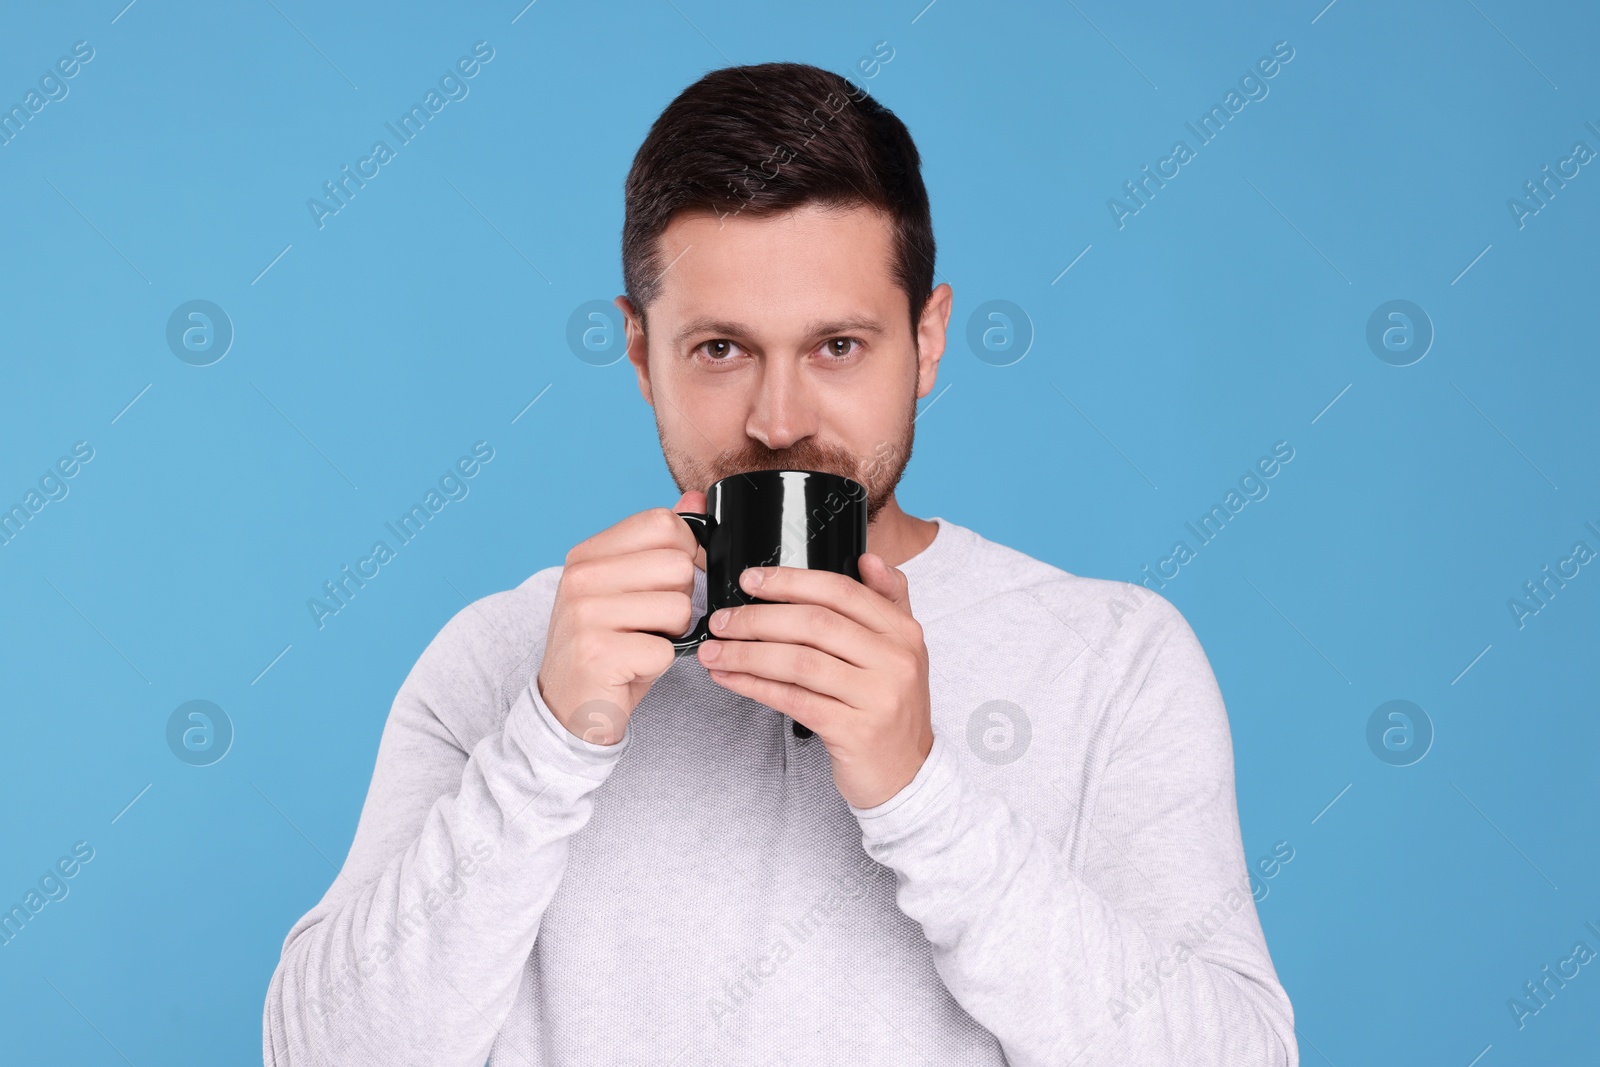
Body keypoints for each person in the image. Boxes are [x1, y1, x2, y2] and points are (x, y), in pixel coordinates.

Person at [262, 61, 1296, 1066]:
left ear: (927, 341)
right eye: (720, 349)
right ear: (639, 355)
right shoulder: (505, 656)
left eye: (837, 345)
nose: (779, 417)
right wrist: (544, 742)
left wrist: (918, 792)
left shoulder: (1113, 659)